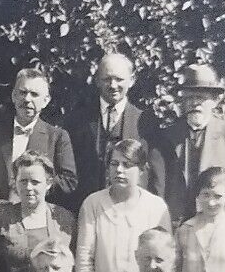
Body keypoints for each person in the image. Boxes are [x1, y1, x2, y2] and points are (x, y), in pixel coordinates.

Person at [74, 139, 172, 272]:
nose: (119, 170)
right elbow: (84, 259)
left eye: (127, 164)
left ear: (142, 170)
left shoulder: (157, 207)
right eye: (114, 164)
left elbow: (168, 260)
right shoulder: (93, 204)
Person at [157, 63, 225, 222]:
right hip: (181, 226)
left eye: (201, 98)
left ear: (214, 101)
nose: (195, 104)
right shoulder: (168, 136)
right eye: (190, 97)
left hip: (224, 223)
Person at [62, 51, 165, 206]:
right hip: (86, 212)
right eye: (107, 79)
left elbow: (157, 177)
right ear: (97, 80)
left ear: (132, 80)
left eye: (119, 79)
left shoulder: (146, 122)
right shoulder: (77, 121)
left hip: (132, 212)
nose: (113, 85)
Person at [0, 151, 77, 272]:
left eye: (35, 182)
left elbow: (73, 267)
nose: (28, 187)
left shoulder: (64, 218)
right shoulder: (0, 218)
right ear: (15, 182)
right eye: (23, 181)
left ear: (48, 184)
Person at [0, 67, 78, 213]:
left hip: (39, 217)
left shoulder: (57, 137)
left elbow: (68, 181)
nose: (27, 99)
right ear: (14, 96)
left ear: (45, 101)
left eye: (34, 94)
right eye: (22, 92)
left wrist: (32, 188)